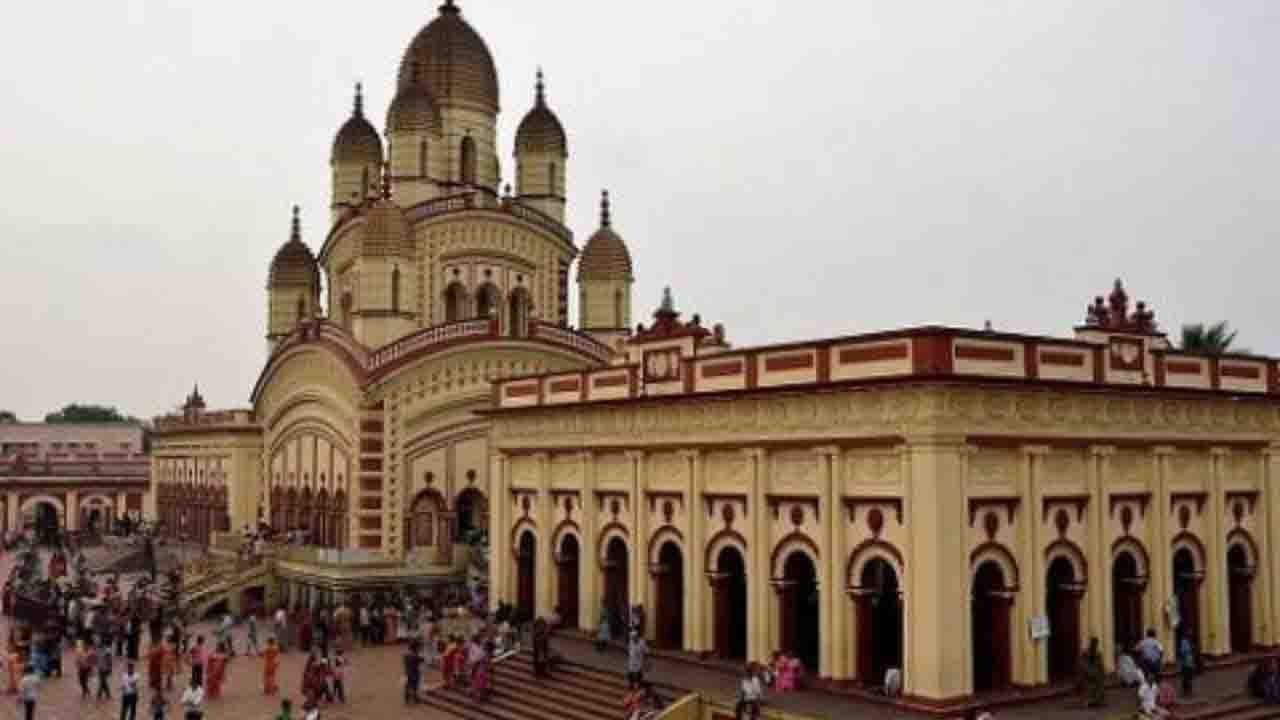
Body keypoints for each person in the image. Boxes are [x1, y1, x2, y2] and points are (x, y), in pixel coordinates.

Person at [1080, 637, 1105, 707]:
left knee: (1100, 682)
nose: (1094, 645)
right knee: (1088, 684)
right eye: (1093, 643)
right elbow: (1083, 664)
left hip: (1096, 674)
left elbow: (1101, 665)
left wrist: (1101, 673)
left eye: (1096, 644)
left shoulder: (1098, 654)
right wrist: (1089, 672)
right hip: (1087, 675)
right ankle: (1088, 700)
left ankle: (1097, 700)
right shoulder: (1085, 654)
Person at [403, 639, 423, 704]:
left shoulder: (406, 655)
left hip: (407, 672)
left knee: (407, 686)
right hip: (414, 673)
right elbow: (421, 660)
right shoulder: (415, 656)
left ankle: (407, 699)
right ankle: (415, 698)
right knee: (415, 686)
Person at [1178, 631, 1196, 697]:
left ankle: (1188, 689)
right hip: (1186, 661)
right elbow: (1183, 651)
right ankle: (1186, 690)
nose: (1190, 636)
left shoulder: (1189, 642)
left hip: (1189, 661)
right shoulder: (1184, 642)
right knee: (1186, 676)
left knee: (1189, 676)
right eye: (1189, 635)